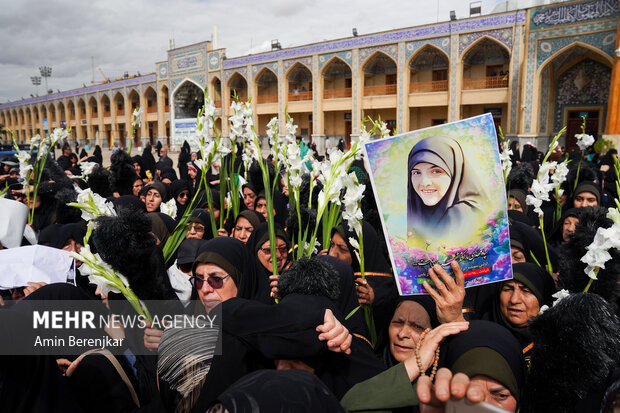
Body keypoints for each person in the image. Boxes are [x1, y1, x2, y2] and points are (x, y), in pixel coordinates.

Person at [407, 136, 485, 234]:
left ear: (454, 172)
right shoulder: (412, 208)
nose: (424, 183)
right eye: (416, 173)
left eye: (436, 171)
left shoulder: (463, 214)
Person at [482, 262, 555, 354]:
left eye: (526, 291)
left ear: (543, 299)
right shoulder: (481, 338)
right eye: (508, 289)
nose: (514, 300)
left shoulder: (557, 343)